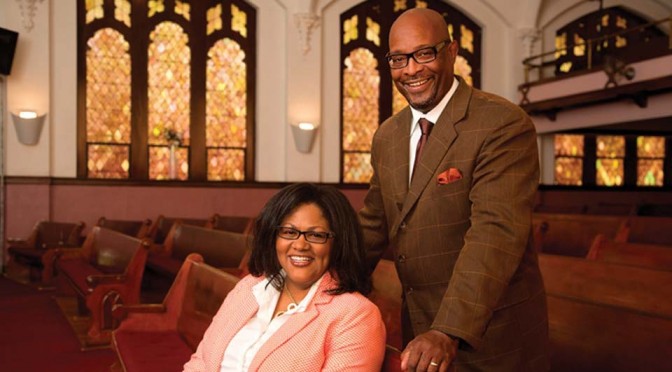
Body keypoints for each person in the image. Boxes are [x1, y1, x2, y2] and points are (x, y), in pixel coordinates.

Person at [359, 8, 549, 372]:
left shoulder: (501, 123)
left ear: (452, 51)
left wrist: (448, 329)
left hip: (491, 335)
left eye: (424, 53)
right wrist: (318, 288)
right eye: (398, 59)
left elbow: (496, 234)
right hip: (420, 329)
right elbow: (372, 225)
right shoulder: (388, 135)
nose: (411, 69)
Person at [184, 183, 386, 372]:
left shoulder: (355, 316)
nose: (300, 245)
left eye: (316, 235)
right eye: (289, 232)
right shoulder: (249, 288)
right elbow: (201, 361)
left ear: (339, 243)